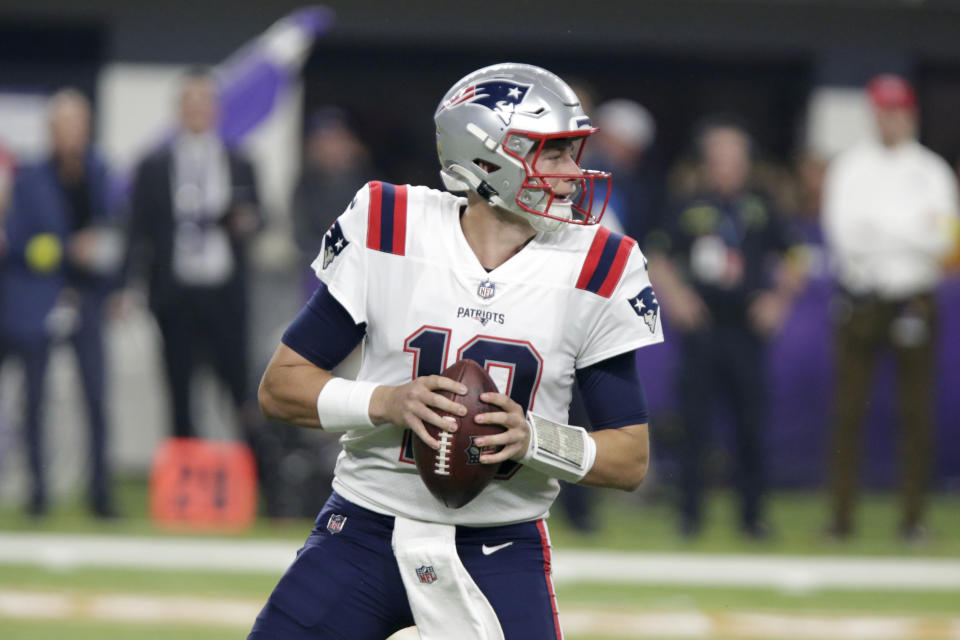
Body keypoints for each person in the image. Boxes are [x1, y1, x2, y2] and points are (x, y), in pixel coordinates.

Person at [248, 63, 662, 639]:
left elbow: (629, 458)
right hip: (362, 529)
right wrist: (387, 402)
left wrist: (534, 438)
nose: (573, 176)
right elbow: (280, 388)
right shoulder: (390, 225)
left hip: (502, 543)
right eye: (554, 154)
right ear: (487, 157)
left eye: (574, 154)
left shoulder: (602, 265)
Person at [648, 119, 805, 539]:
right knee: (693, 424)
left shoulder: (762, 206)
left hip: (745, 330)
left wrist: (778, 299)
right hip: (703, 329)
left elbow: (795, 255)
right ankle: (689, 515)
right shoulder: (687, 205)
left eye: (734, 160)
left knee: (750, 424)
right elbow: (657, 256)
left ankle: (753, 516)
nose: (726, 168)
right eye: (719, 159)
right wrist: (677, 297)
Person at [822, 74, 959, 543]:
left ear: (911, 113)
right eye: (884, 109)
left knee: (917, 414)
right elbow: (844, 235)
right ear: (872, 112)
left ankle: (913, 521)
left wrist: (880, 229)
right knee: (848, 413)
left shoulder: (932, 169)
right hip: (862, 297)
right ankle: (841, 520)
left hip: (914, 297)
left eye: (898, 109)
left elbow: (943, 240)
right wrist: (909, 229)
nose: (891, 118)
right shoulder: (851, 167)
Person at [0, 89, 120, 517]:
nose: (72, 134)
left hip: (88, 299)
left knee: (97, 399)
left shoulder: (102, 173)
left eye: (79, 124)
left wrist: (112, 278)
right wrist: (68, 248)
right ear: (51, 130)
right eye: (64, 125)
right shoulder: (31, 178)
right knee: (34, 400)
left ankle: (101, 495)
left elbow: (117, 232)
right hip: (39, 299)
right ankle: (37, 493)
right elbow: (19, 243)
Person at [125, 68, 262, 440]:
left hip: (223, 293)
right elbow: (138, 231)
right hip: (176, 293)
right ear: (179, 109)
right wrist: (129, 288)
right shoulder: (154, 166)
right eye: (191, 102)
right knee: (179, 391)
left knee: (238, 388)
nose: (198, 110)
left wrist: (245, 221)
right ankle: (185, 483)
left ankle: (256, 477)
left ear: (216, 109)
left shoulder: (239, 161)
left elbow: (260, 217)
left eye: (205, 102)